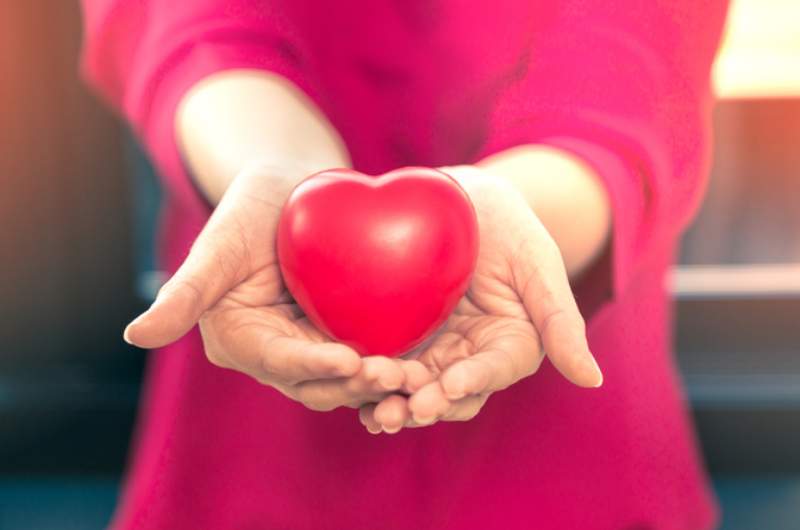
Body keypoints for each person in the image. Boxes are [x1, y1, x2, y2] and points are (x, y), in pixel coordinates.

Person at [81, 1, 729, 528]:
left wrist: (502, 222)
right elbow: (192, 24)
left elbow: (630, 71)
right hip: (251, 467)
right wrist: (272, 176)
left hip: (568, 472)